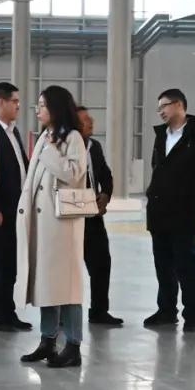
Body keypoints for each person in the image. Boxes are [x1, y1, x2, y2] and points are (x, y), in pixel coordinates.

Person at [16, 85, 88, 368]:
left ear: (57, 108)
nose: (38, 110)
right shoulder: (46, 136)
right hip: (42, 224)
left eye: (43, 105)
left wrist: (49, 152)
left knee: (68, 288)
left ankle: (73, 345)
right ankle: (47, 340)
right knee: (46, 284)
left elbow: (74, 174)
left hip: (62, 227)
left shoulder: (72, 138)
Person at [144, 89, 195, 333]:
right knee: (163, 264)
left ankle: (191, 313)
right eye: (159, 108)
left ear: (179, 105)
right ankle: (166, 310)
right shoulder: (161, 136)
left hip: (184, 213)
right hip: (159, 211)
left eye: (164, 106)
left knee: (186, 264)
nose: (161, 112)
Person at [0, 82, 33, 333]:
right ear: (1, 102)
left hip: (15, 210)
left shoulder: (13, 131)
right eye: (14, 101)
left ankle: (7, 312)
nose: (18, 106)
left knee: (10, 264)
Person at [76, 106, 123, 326]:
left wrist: (105, 195)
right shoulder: (64, 148)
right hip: (71, 217)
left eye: (90, 118)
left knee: (102, 263)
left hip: (93, 217)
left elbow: (106, 174)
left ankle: (99, 311)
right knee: (69, 269)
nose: (91, 122)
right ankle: (62, 315)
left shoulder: (94, 146)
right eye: (85, 119)